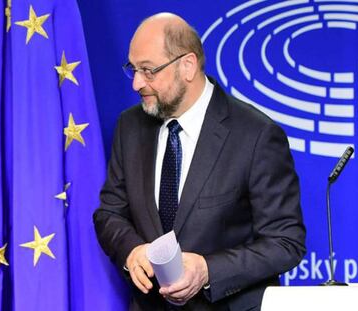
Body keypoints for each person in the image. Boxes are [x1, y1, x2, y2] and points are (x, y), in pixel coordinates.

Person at [93, 12, 306, 311]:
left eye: (148, 70)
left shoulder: (256, 135)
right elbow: (110, 213)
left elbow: (286, 242)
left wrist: (207, 270)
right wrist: (132, 251)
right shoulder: (130, 127)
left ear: (188, 66)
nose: (137, 83)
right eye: (133, 69)